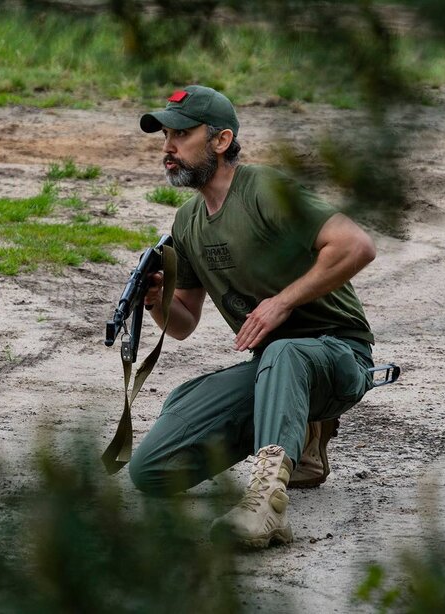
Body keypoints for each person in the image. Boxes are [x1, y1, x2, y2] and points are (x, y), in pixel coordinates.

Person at [129, 85, 376, 549]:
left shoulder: (264, 189)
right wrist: (156, 300)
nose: (168, 147)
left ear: (221, 141)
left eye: (181, 133)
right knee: (152, 471)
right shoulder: (187, 221)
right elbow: (183, 322)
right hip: (273, 370)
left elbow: (356, 245)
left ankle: (266, 507)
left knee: (284, 352)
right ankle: (299, 427)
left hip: (341, 354)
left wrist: (282, 302)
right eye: (165, 135)